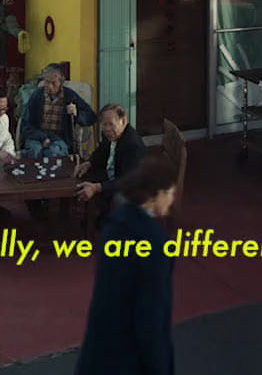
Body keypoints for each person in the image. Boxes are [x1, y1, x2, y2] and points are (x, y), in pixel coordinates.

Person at [74, 158, 179, 375]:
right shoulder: (156, 244)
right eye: (170, 192)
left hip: (100, 350)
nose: (172, 198)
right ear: (156, 194)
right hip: (130, 359)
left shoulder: (114, 225)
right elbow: (150, 318)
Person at [74, 104, 146, 216]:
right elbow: (101, 151)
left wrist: (97, 187)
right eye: (104, 124)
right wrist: (89, 163)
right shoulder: (111, 134)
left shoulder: (132, 145)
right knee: (84, 177)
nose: (107, 129)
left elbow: (126, 180)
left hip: (134, 186)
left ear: (124, 121)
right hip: (114, 173)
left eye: (111, 124)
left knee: (118, 199)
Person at [20, 64, 92, 159]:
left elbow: (90, 116)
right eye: (47, 82)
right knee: (34, 152)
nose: (49, 86)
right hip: (37, 137)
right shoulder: (37, 95)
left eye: (53, 83)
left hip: (59, 138)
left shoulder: (70, 96)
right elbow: (25, 123)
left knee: (53, 153)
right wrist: (42, 137)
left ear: (62, 82)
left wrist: (77, 113)